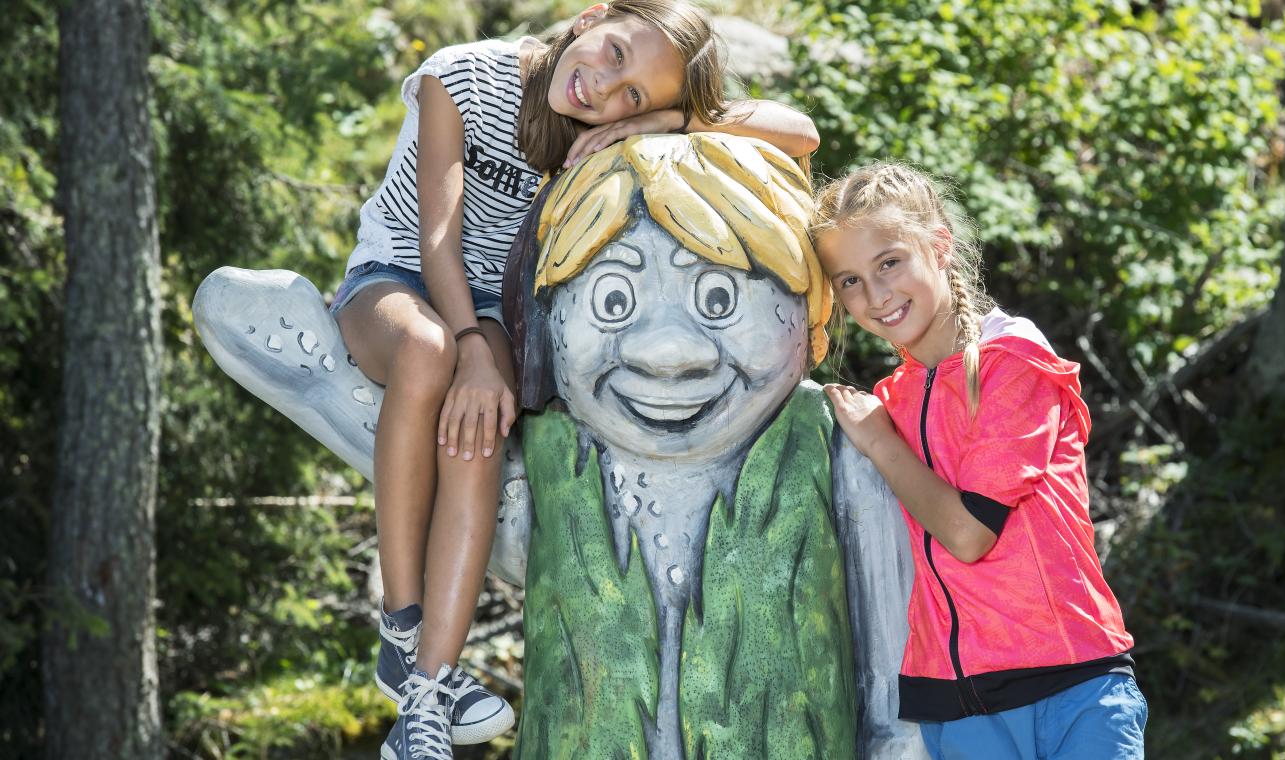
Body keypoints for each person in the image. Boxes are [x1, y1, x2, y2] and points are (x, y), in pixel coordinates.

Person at [327, 3, 820, 758]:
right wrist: (471, 346)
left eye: (632, 96)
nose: (606, 90)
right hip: (396, 283)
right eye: (613, 53)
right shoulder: (461, 75)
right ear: (591, 16)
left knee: (481, 418)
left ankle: (428, 689)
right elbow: (436, 241)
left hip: (493, 310)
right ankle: (401, 629)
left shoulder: (617, 123)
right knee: (430, 354)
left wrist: (672, 125)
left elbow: (799, 131)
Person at [810, 163, 1147, 759]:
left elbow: (969, 533)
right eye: (850, 282)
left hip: (1073, 686)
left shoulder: (1012, 361)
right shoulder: (888, 402)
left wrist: (883, 444)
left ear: (938, 247)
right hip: (956, 706)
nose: (876, 294)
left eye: (889, 262)